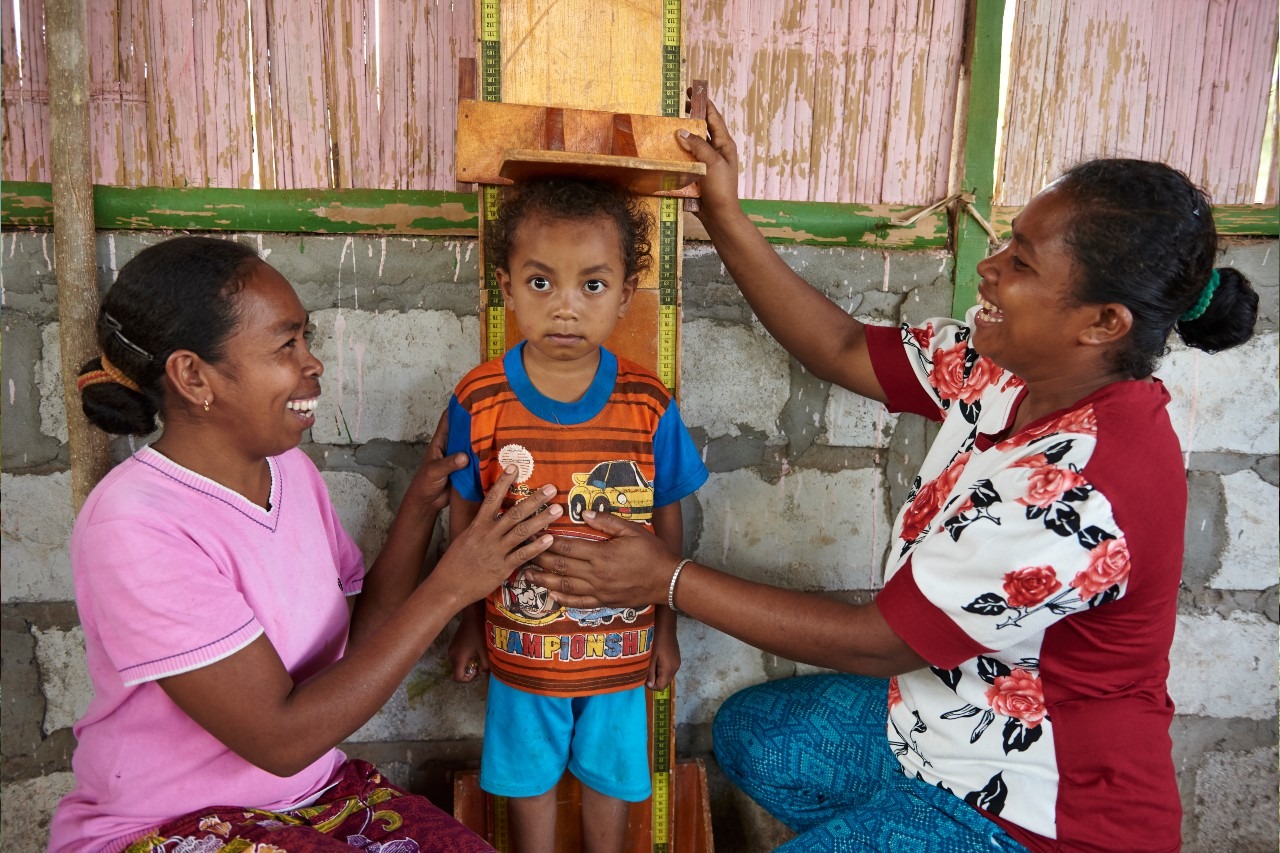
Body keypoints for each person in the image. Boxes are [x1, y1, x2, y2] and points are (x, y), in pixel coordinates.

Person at [522, 101, 1260, 852]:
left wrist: (664, 579)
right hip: (949, 723)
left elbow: (877, 643)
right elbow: (842, 346)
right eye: (1010, 239)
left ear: (1103, 323)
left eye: (1024, 263)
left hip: (1036, 812)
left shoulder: (1080, 488)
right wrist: (724, 214)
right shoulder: (1007, 369)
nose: (991, 266)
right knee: (758, 735)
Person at [49, 236, 562, 853]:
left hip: (310, 801)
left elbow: (361, 640)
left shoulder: (289, 472)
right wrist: (453, 586)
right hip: (172, 824)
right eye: (286, 345)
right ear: (193, 376)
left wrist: (421, 506)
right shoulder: (135, 525)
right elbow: (281, 741)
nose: (313, 363)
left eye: (306, 340)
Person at [443, 177, 708, 852]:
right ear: (505, 285)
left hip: (621, 656)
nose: (565, 307)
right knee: (527, 782)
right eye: (540, 283)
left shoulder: (649, 402)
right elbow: (464, 521)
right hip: (520, 653)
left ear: (624, 293)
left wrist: (666, 628)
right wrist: (469, 623)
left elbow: (668, 522)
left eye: (591, 285)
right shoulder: (479, 401)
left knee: (613, 782)